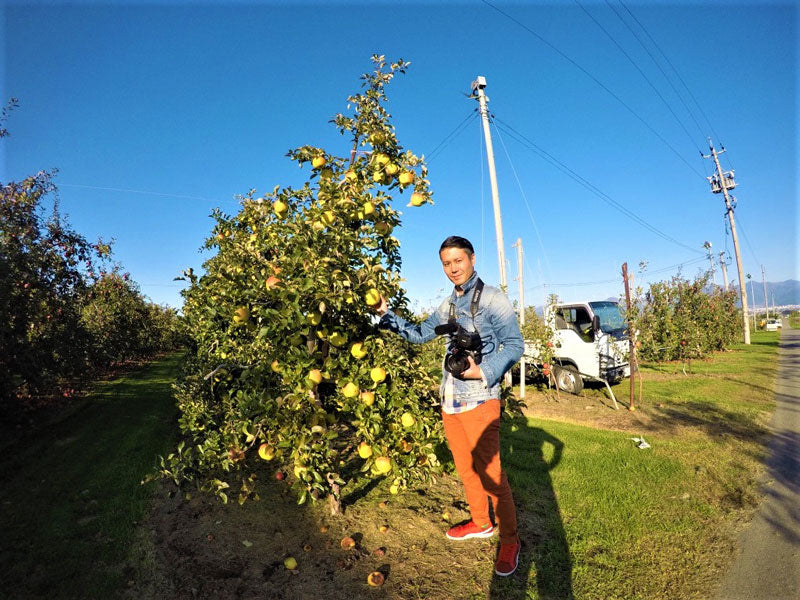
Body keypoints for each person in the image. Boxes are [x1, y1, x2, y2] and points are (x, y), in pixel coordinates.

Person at [374, 235, 524, 577]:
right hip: (451, 400)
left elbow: (515, 344)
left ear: (471, 259)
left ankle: (511, 539)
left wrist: (482, 370)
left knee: (493, 475)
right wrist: (386, 313)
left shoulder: (492, 298)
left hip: (481, 398)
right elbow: (418, 334)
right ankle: (481, 522)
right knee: (467, 470)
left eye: (458, 260)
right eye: (446, 263)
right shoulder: (449, 306)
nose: (453, 268)